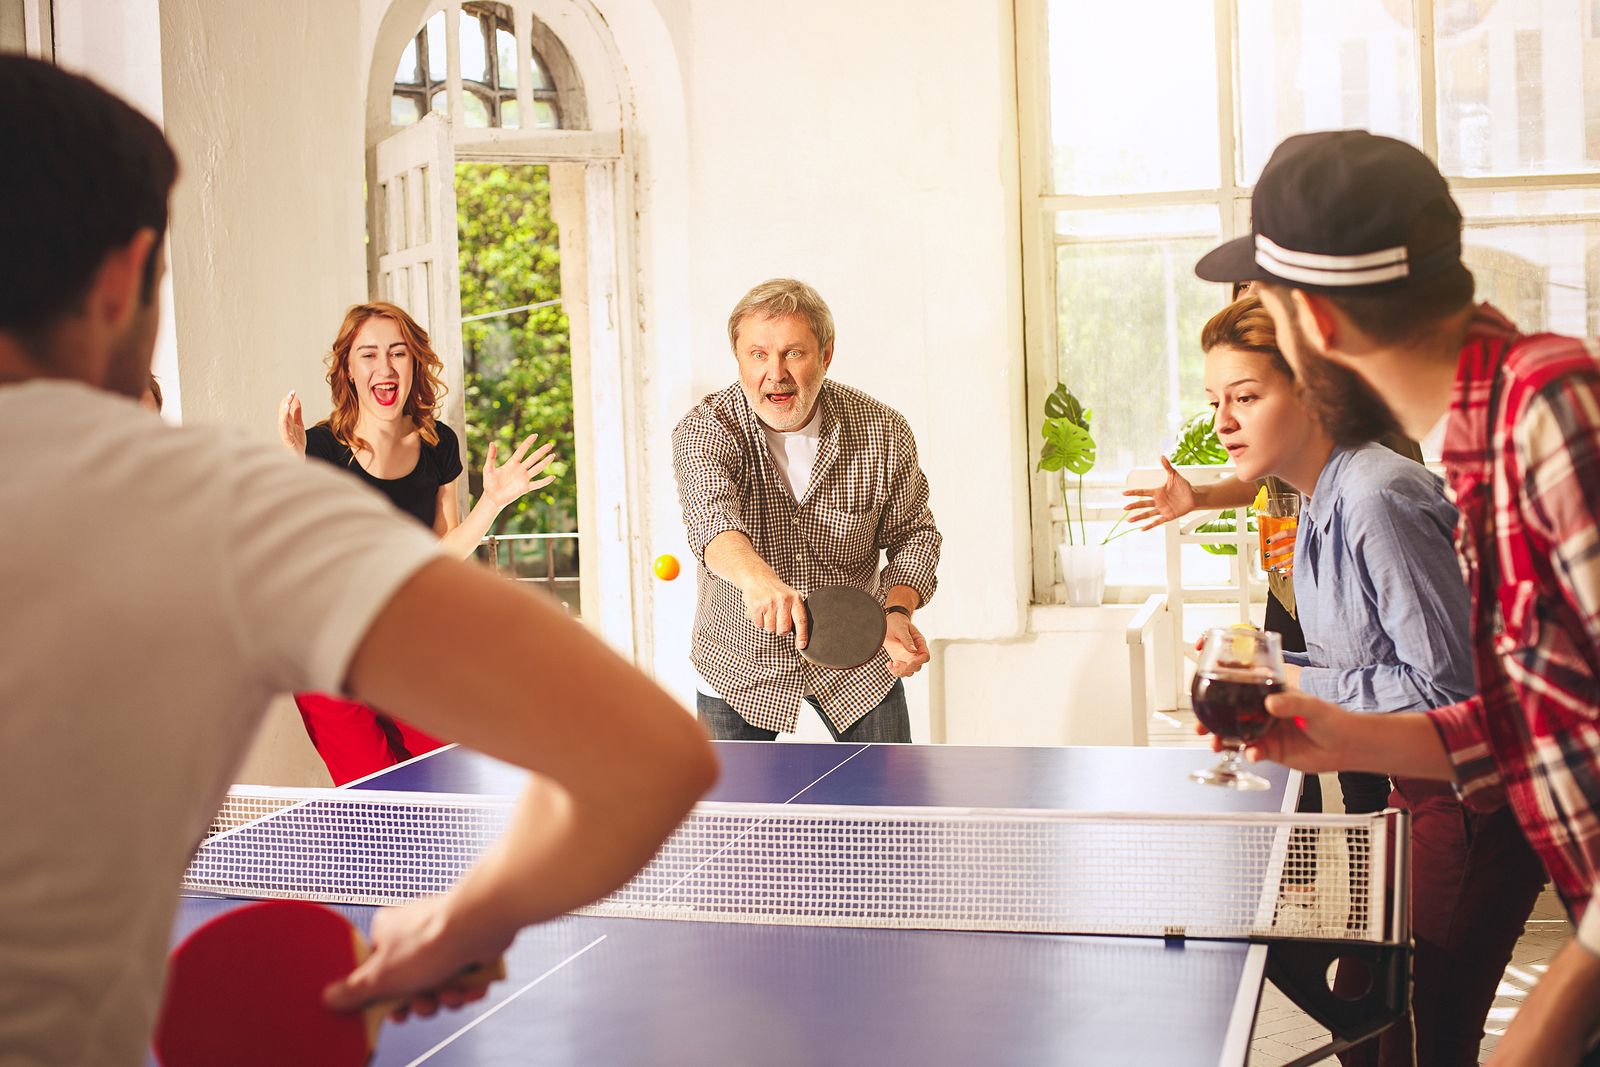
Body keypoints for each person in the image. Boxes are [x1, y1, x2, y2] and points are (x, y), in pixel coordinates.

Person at [0, 55, 716, 1065]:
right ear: (123, 280)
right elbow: (648, 757)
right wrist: (468, 914)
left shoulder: (382, 463)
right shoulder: (222, 500)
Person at [1195, 129, 1600, 1066]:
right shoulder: (1485, 434)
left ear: (1319, 330)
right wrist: (1338, 732)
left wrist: (1556, 1008)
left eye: (1267, 304)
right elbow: (1540, 721)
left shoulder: (1548, 412)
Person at [275, 302, 558, 783]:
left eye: (398, 353)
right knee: (376, 794)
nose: (384, 367)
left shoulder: (437, 445)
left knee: (444, 775)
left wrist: (490, 502)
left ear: (414, 363)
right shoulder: (318, 449)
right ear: (348, 367)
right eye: (368, 355)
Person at [671, 278, 941, 741]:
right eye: (758, 354)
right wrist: (759, 581)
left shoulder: (882, 431)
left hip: (857, 659)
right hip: (739, 662)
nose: (774, 373)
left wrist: (897, 611)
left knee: (889, 810)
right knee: (731, 815)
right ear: (737, 357)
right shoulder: (705, 430)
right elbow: (712, 520)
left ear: (826, 354)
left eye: (793, 353)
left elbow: (914, 533)